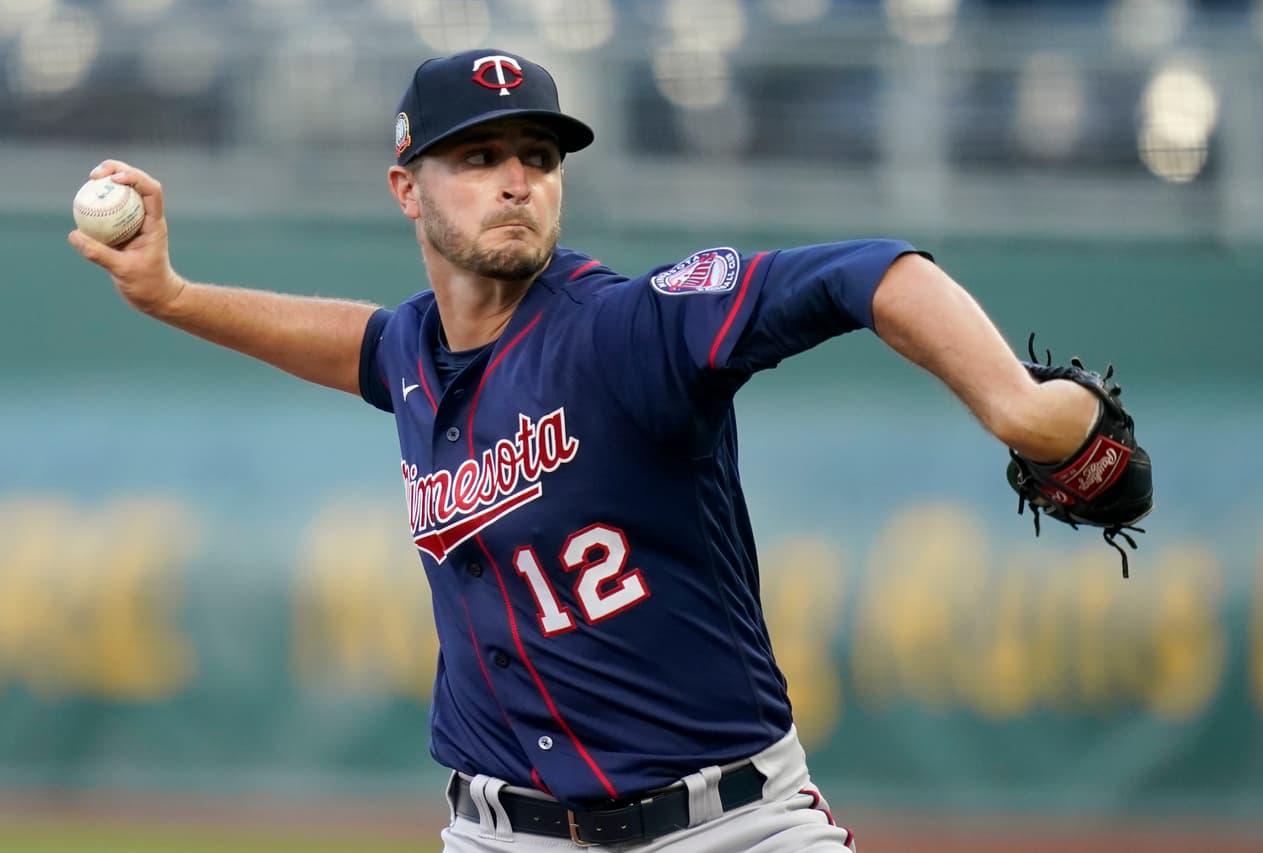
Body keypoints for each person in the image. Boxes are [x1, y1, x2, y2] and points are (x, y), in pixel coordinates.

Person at [69, 48, 1114, 852]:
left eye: (537, 157)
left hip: (726, 825)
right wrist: (173, 296)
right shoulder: (414, 353)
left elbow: (868, 273)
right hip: (498, 827)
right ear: (407, 190)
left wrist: (1017, 408)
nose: (515, 180)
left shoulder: (627, 329)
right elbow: (359, 342)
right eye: (477, 158)